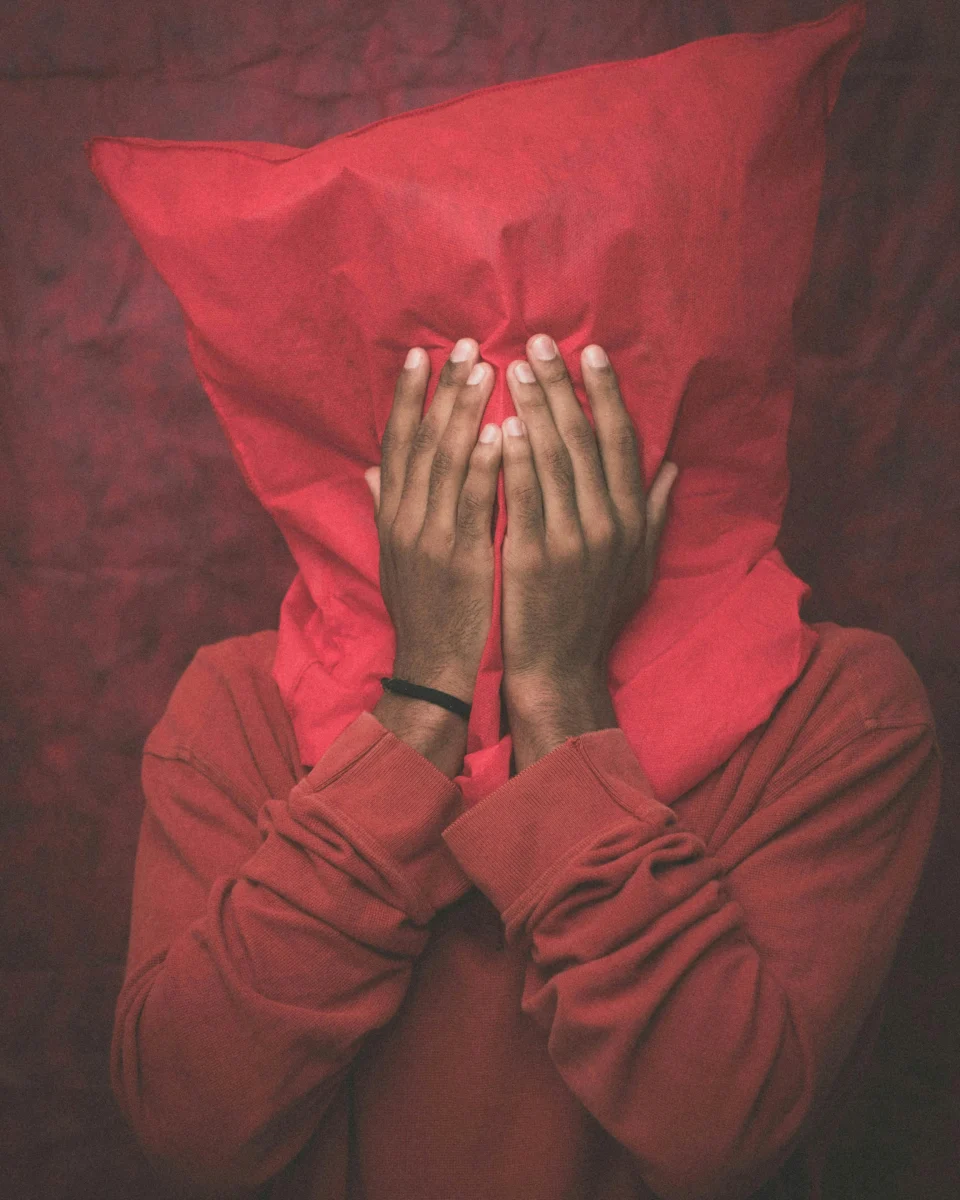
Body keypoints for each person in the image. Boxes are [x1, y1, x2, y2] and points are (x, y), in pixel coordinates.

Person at [111, 335, 942, 1200]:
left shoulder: (841, 709)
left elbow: (719, 1134)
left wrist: (556, 686)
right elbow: (190, 1126)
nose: (509, 431)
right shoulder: (239, 703)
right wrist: (430, 682)